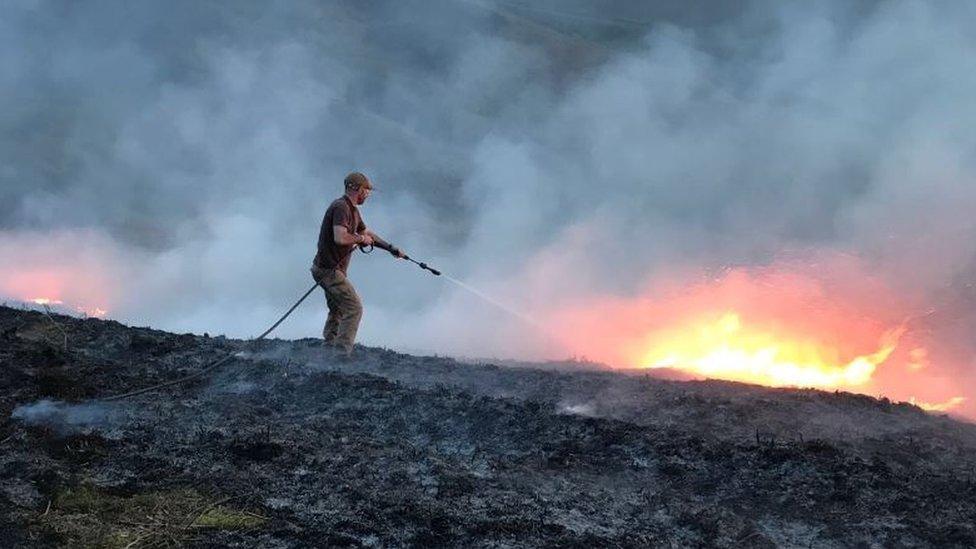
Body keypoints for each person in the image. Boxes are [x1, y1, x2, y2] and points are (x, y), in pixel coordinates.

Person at [310, 172, 405, 355]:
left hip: (327, 269)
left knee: (337, 308)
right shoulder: (341, 207)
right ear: (357, 189)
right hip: (329, 270)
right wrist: (361, 238)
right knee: (354, 307)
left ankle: (329, 347)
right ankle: (341, 354)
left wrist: (391, 248)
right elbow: (340, 237)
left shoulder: (352, 210)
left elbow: (367, 233)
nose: (368, 194)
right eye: (366, 190)